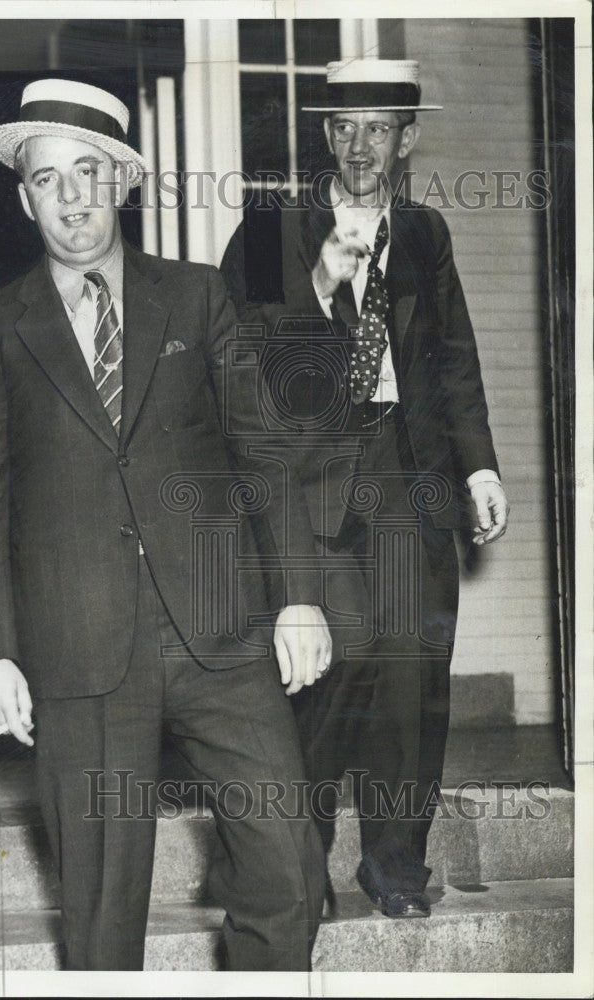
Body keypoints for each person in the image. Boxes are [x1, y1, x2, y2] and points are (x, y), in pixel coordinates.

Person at [0, 78, 331, 971]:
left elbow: (264, 455)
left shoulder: (196, 298)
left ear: (122, 181)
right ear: (22, 195)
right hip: (77, 644)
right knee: (101, 908)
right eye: (47, 179)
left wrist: (299, 601)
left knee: (286, 865)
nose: (71, 196)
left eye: (88, 171)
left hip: (222, 634)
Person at [220, 58, 509, 919]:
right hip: (308, 484)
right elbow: (241, 363)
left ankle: (394, 866)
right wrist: (321, 284)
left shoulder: (423, 235)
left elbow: (452, 358)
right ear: (322, 138)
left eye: (377, 129)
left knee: (415, 676)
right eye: (342, 129)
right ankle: (294, 867)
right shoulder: (273, 228)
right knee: (323, 675)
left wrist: (479, 466)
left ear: (406, 139)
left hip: (409, 477)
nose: (357, 147)